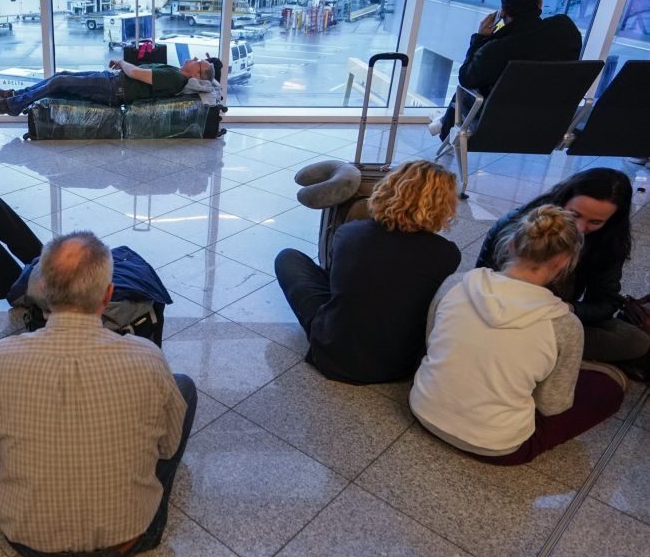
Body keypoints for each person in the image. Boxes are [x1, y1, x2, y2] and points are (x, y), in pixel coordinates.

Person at [0, 231, 195, 557]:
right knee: (183, 387)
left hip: (28, 540)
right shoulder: (147, 357)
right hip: (128, 537)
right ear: (108, 295)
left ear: (42, 290)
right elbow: (168, 447)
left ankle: (24, 494)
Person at [411, 205, 625, 465]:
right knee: (608, 388)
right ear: (563, 262)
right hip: (498, 448)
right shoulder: (565, 325)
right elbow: (551, 406)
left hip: (423, 411)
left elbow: (431, 341)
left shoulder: (456, 283)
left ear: (511, 244)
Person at [275, 160, 461, 384]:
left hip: (331, 354)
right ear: (444, 206)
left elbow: (340, 283)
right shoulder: (447, 254)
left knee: (288, 258)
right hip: (401, 366)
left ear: (388, 187)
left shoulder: (350, 233)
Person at [477, 168, 649, 379]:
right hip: (511, 316)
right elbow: (485, 287)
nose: (579, 228)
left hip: (555, 316)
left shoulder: (607, 243)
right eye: (574, 215)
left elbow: (606, 302)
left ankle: (548, 354)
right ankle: (555, 357)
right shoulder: (520, 226)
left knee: (634, 339)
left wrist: (569, 308)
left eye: (595, 222)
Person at [430, 0, 582, 140]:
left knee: (464, 92)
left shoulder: (497, 49)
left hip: (497, 124)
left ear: (502, 12)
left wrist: (480, 38)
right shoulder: (566, 32)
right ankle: (441, 122)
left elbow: (466, 78)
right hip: (549, 124)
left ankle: (444, 126)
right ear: (540, 4)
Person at [0, 57, 215, 116]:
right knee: (61, 76)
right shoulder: (175, 72)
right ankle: (13, 95)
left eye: (198, 62)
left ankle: (12, 105)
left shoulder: (175, 79)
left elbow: (134, 72)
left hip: (114, 89)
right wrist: (122, 65)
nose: (193, 59)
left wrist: (123, 62)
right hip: (113, 81)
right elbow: (138, 72)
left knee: (59, 82)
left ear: (197, 73)